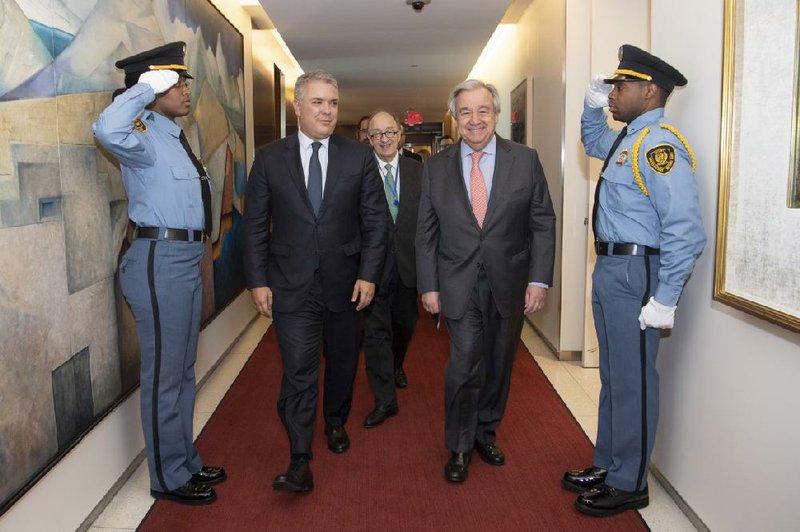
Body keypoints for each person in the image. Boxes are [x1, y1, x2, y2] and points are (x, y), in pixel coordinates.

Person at [562, 45, 706, 517]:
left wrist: (665, 299)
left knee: (634, 380)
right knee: (613, 376)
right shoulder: (628, 139)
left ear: (648, 92)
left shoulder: (660, 145)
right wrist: (588, 102)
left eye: (620, 86)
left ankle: (630, 482)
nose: (612, 94)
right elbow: (591, 140)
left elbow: (685, 230)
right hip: (611, 268)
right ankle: (608, 462)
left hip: (638, 272)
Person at [92, 42, 226, 505]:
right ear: (153, 85)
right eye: (177, 81)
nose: (186, 89)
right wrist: (143, 88)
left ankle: (184, 460)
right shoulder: (138, 127)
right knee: (164, 375)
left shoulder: (169, 131)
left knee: (183, 370)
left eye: (185, 80)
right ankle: (167, 477)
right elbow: (105, 129)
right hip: (158, 258)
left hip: (186, 258)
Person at [242, 70, 388, 493]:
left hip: (346, 284)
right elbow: (254, 225)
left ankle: (335, 421)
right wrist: (257, 281)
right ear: (298, 106)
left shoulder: (357, 157)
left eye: (333, 103)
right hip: (290, 285)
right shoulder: (270, 158)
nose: (327, 111)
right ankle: (300, 456)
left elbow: (376, 222)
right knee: (300, 371)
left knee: (343, 364)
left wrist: (368, 275)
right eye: (318, 102)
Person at [416, 79, 556, 483]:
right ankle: (459, 445)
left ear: (496, 114)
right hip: (456, 283)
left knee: (498, 362)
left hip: (509, 282)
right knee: (463, 364)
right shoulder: (435, 167)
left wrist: (539, 280)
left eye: (482, 111)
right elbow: (425, 232)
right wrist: (428, 285)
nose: (474, 120)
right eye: (465, 112)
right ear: (455, 118)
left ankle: (485, 431)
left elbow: (542, 223)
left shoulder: (525, 160)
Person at [362, 111, 423, 427]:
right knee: (375, 335)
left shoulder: (417, 171)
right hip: (371, 269)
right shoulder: (359, 171)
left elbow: (428, 223)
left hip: (408, 266)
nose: (384, 139)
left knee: (405, 325)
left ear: (400, 134)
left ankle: (397, 364)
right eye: (377, 134)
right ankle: (385, 400)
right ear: (369, 139)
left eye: (389, 132)